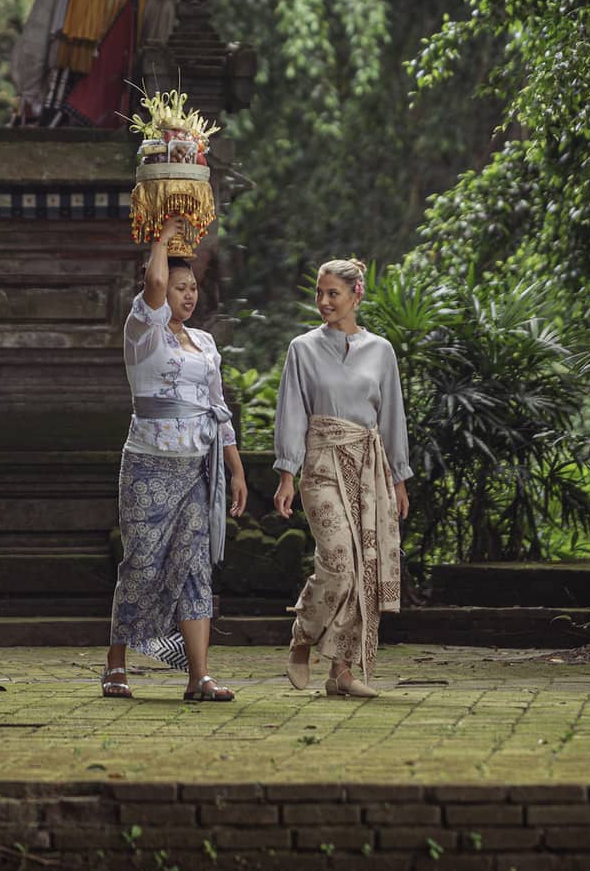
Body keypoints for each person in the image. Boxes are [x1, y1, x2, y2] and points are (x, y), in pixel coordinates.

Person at [103, 215, 247, 701]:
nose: (187, 295)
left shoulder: (204, 343)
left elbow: (218, 408)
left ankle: (198, 677)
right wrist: (163, 239)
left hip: (198, 466)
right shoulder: (143, 333)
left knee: (193, 566)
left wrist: (235, 467)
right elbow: (157, 281)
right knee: (141, 564)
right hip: (149, 463)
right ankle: (116, 662)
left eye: (193, 288)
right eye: (180, 287)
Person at [273, 258, 411, 699]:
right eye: (319, 293)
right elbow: (292, 411)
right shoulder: (303, 348)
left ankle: (341, 672)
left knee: (363, 568)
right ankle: (302, 635)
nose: (324, 302)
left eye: (333, 293)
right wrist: (286, 474)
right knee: (338, 561)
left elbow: (392, 418)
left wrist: (399, 479)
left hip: (370, 468)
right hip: (321, 464)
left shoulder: (381, 351)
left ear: (357, 295)